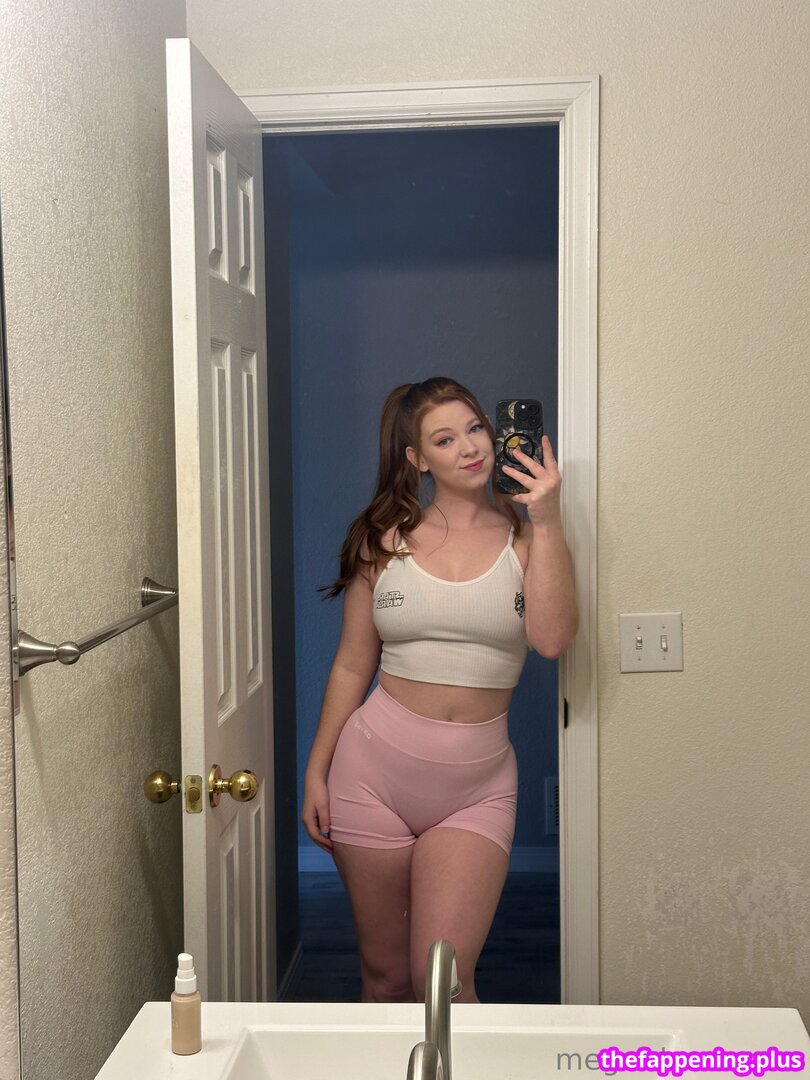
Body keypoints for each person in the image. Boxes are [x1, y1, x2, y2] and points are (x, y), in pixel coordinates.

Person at [301, 376, 578, 1003]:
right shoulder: (382, 542)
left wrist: (547, 517)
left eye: (476, 428)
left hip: (477, 790)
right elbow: (351, 666)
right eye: (445, 439)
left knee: (445, 986)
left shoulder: (527, 541)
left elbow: (553, 639)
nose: (470, 447)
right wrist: (317, 772)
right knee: (386, 980)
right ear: (418, 459)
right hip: (370, 778)